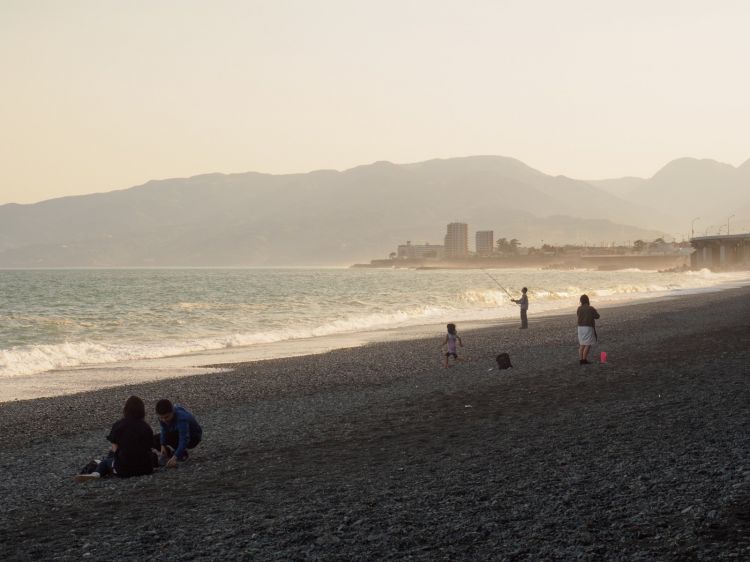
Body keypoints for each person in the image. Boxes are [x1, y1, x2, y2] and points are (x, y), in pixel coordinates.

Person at [74, 395, 157, 482]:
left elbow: (115, 449)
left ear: (125, 410)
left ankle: (96, 474)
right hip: (146, 469)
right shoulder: (146, 427)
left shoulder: (118, 425)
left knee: (105, 462)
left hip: (123, 471)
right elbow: (149, 446)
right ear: (142, 411)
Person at [155, 399, 203, 467]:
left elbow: (184, 439)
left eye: (166, 417)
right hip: (177, 432)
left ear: (172, 411)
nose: (164, 420)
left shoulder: (181, 418)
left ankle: (180, 454)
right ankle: (168, 455)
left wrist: (175, 458)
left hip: (193, 438)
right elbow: (164, 430)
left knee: (174, 437)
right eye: (161, 417)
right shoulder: (162, 418)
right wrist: (162, 445)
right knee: (155, 439)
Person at [577, 294, 600, 365]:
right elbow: (597, 316)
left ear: (581, 301)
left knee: (582, 344)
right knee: (588, 344)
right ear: (587, 300)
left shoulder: (579, 308)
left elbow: (578, 315)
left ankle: (581, 360)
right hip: (588, 327)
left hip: (580, 328)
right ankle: (584, 359)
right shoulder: (591, 308)